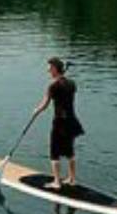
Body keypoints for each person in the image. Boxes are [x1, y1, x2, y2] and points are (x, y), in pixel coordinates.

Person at [32, 57, 84, 189]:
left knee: (54, 152)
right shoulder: (72, 84)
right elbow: (65, 94)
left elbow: (44, 105)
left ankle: (56, 182)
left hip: (60, 123)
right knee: (70, 151)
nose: (48, 70)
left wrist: (36, 111)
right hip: (72, 121)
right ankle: (72, 179)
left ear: (55, 68)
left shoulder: (53, 85)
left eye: (50, 67)